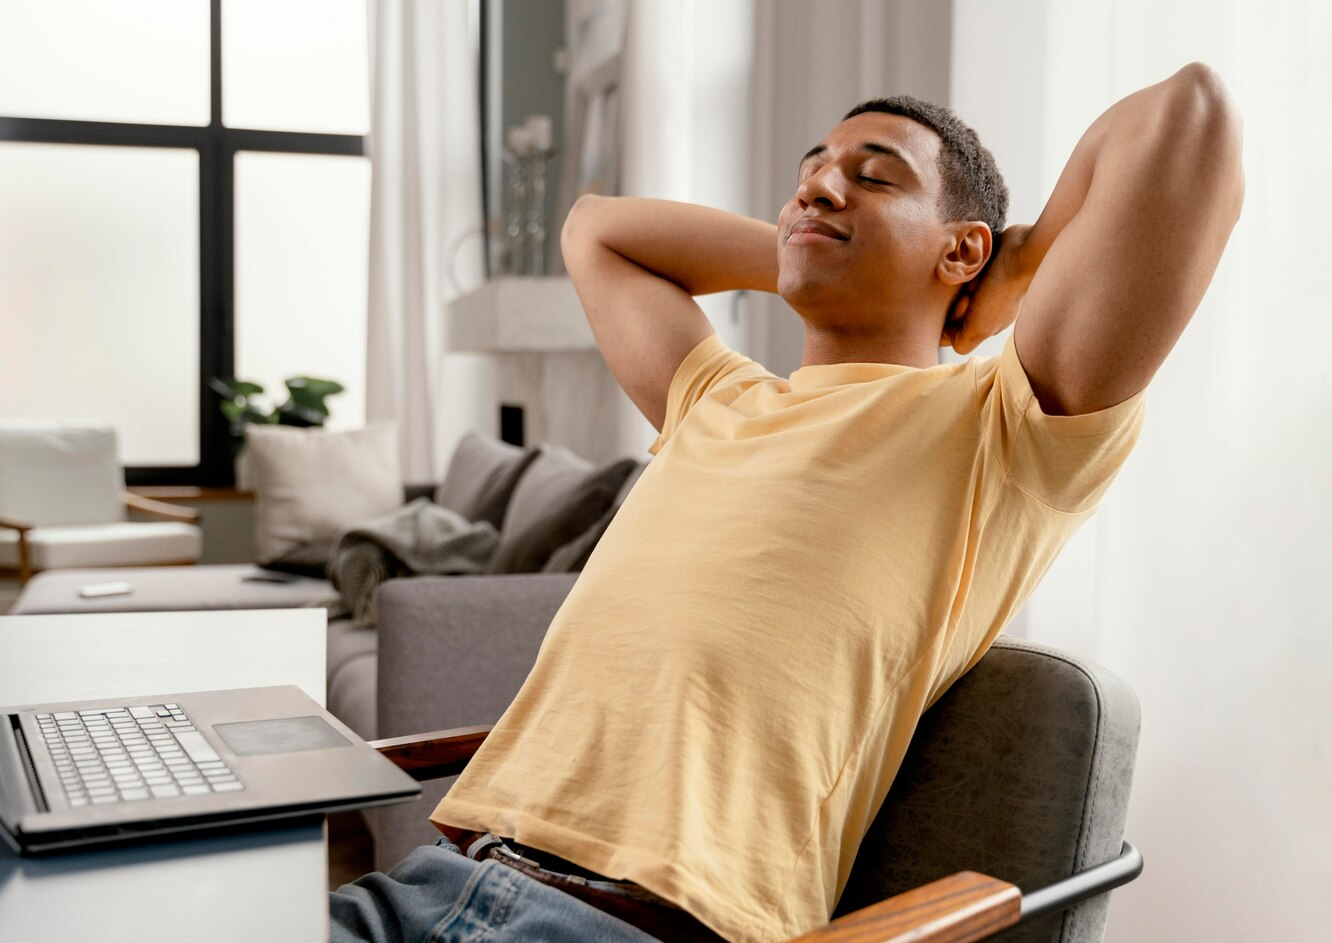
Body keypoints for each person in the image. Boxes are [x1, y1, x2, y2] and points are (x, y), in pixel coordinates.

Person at [331, 62, 1243, 943]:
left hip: (634, 922)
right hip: (437, 878)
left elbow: (1188, 116)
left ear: (962, 246)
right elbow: (593, 229)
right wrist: (810, 246)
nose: (817, 190)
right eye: (807, 176)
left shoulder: (1000, 429)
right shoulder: (714, 400)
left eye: (871, 176)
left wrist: (1019, 263)